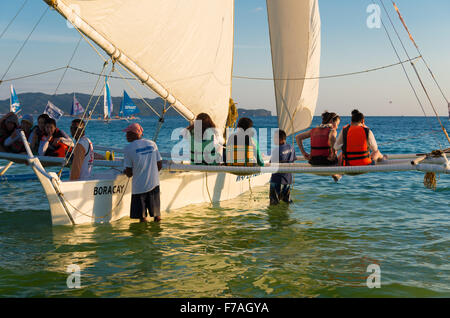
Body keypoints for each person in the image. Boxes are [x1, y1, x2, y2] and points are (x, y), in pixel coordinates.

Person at [123, 123, 162, 223]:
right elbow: (159, 165)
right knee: (157, 216)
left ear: (134, 134)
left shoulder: (128, 149)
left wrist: (126, 172)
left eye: (128, 133)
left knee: (142, 218)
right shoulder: (152, 144)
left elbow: (129, 173)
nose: (126, 135)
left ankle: (143, 237)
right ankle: (157, 237)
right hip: (154, 185)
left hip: (139, 187)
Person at [296, 111, 341, 181]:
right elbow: (332, 137)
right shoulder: (332, 130)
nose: (337, 127)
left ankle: (334, 173)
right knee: (341, 154)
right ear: (332, 121)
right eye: (337, 124)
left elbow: (298, 137)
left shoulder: (313, 130)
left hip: (313, 162)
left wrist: (304, 153)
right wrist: (333, 153)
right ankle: (337, 174)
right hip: (327, 162)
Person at [269, 129, 296, 205]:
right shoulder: (291, 147)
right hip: (288, 179)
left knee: (274, 204)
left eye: (274, 138)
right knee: (286, 202)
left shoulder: (276, 150)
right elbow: (292, 160)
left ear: (280, 139)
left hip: (277, 179)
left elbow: (271, 164)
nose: (273, 140)